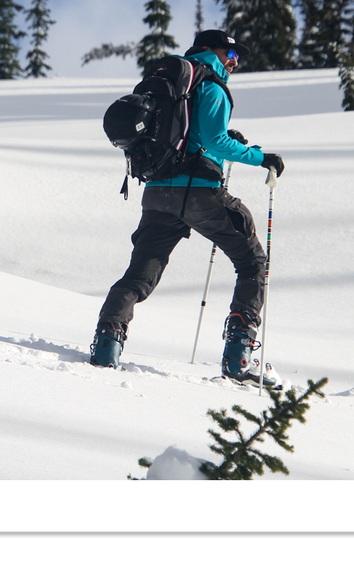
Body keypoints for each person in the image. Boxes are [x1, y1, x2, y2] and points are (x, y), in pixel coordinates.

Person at [91, 29, 285, 385]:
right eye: (231, 54)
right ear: (212, 50)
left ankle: (106, 345)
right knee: (252, 262)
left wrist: (224, 141)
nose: (234, 61)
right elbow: (213, 139)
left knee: (139, 275)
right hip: (199, 193)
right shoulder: (211, 85)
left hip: (156, 193)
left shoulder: (173, 84)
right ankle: (239, 357)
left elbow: (196, 136)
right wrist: (260, 157)